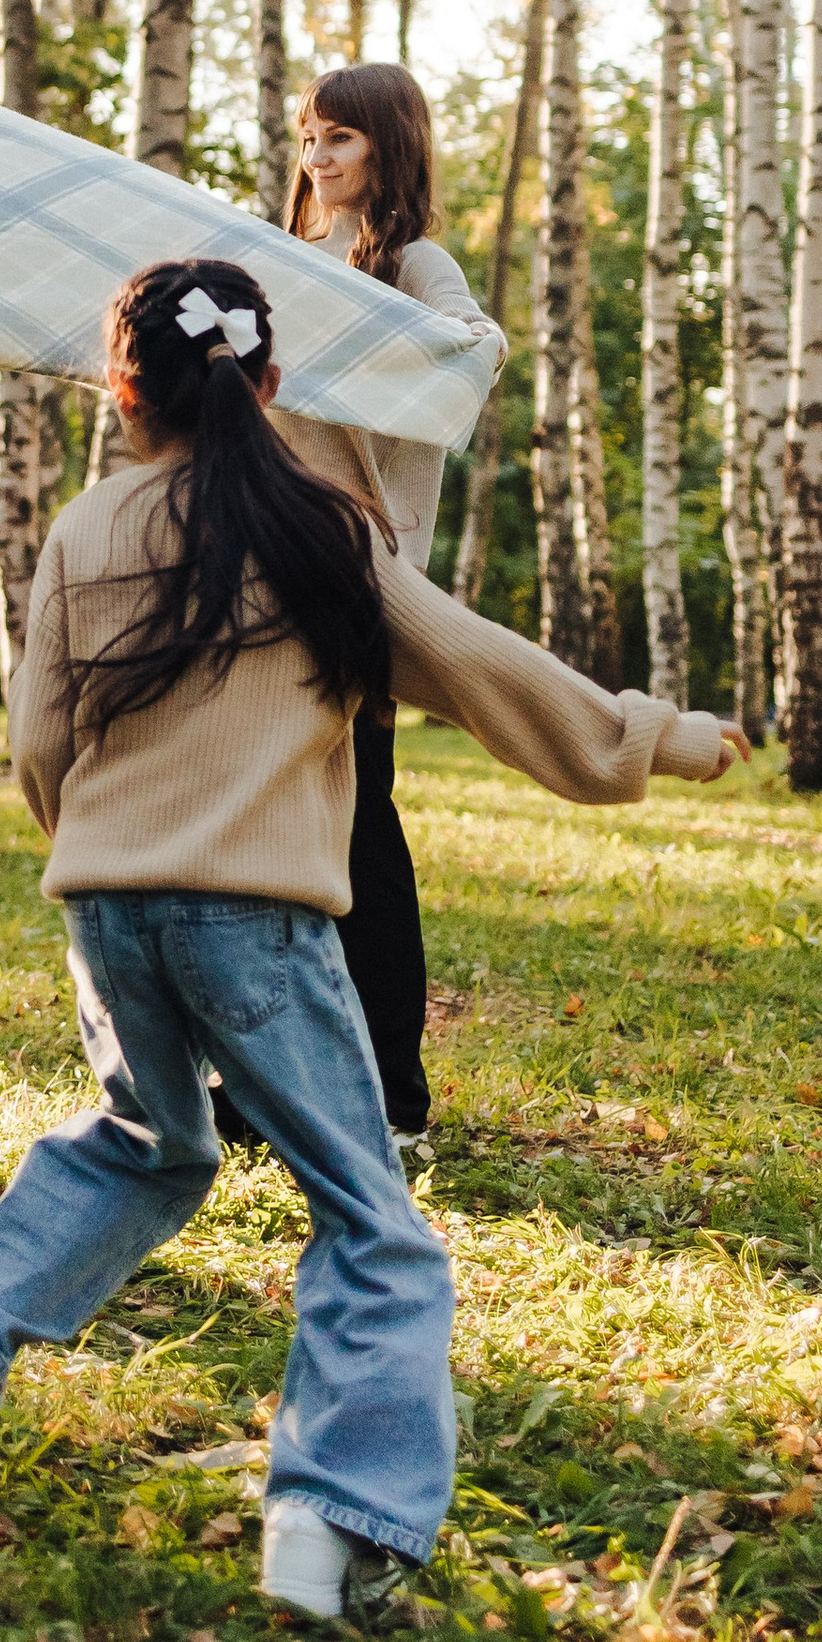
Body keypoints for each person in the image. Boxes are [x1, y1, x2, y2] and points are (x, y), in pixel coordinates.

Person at [0, 256, 739, 1628]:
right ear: (274, 384)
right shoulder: (323, 527)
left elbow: (40, 742)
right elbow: (477, 667)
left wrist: (93, 853)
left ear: (118, 388)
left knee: (152, 1141)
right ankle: (329, 1523)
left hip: (105, 902)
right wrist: (656, 739)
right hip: (254, 919)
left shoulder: (88, 527)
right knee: (373, 1224)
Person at [277, 60, 500, 1136]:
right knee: (273, 833)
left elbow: (476, 348)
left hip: (361, 581)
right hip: (263, 574)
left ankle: (394, 1098)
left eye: (340, 140)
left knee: (362, 833)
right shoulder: (279, 258)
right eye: (309, 137)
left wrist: (376, 347)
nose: (317, 159)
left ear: (387, 147)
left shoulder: (410, 264)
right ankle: (285, 1083)